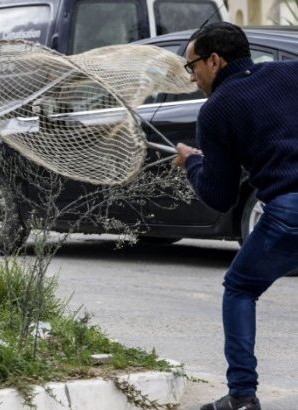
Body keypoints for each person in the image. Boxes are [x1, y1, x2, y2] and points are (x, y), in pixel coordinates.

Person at [173, 22, 298, 410]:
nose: (192, 77)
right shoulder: (289, 72)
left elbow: (220, 196)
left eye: (191, 66)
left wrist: (193, 163)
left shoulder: (216, 110)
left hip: (289, 211)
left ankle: (242, 397)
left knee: (240, 288)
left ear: (215, 60)